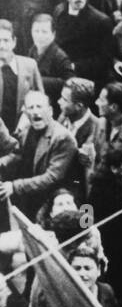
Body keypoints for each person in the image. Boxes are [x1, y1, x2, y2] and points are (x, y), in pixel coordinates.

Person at [0, 88, 77, 218]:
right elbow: (18, 154)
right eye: (31, 107)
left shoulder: (62, 138)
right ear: (25, 113)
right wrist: (2, 162)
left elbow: (51, 177)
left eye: (39, 106)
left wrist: (14, 186)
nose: (35, 111)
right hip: (30, 196)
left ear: (50, 111)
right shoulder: (26, 130)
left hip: (54, 201)